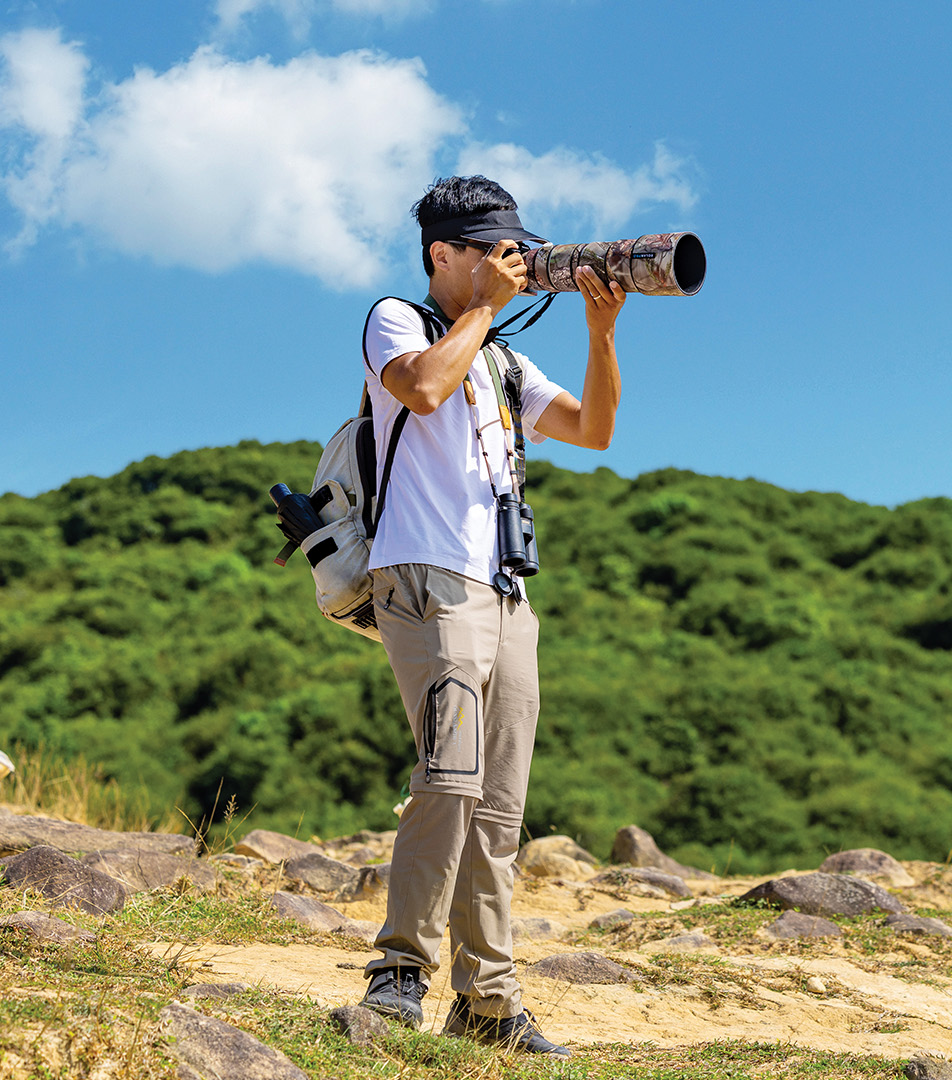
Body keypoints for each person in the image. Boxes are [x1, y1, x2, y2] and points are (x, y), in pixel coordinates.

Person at [355, 175, 627, 1055]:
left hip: (507, 594)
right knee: (449, 779)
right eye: (492, 250)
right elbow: (423, 390)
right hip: (427, 578)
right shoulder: (398, 320)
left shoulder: (507, 361)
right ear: (443, 253)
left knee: (501, 807)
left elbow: (593, 429)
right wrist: (484, 308)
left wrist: (600, 333)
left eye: (517, 248)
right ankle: (399, 973)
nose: (511, 262)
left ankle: (487, 1003)